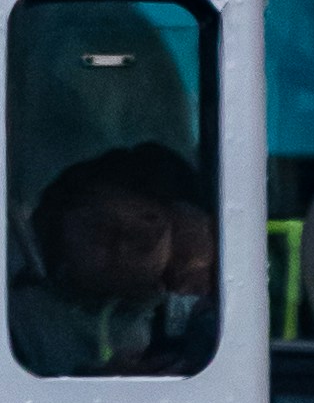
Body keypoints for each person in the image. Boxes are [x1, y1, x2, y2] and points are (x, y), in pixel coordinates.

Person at [20, 144, 217, 374]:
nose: (121, 246)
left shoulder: (191, 318)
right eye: (98, 229)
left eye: (144, 234)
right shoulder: (21, 321)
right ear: (57, 233)